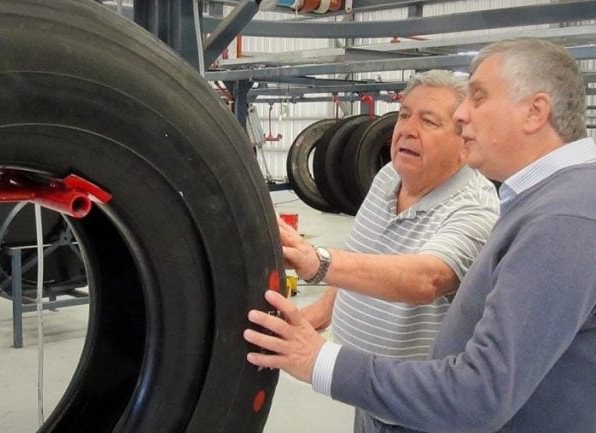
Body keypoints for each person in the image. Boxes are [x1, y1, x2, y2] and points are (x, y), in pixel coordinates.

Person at [245, 38, 596, 433]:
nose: (463, 115)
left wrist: (320, 361)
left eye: (477, 97)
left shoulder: (564, 219)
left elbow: (477, 395)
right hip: (390, 400)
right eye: (404, 115)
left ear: (534, 112)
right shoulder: (541, 200)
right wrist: (316, 319)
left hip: (423, 410)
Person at [285, 69, 498, 363]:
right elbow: (362, 256)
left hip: (414, 396)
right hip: (360, 381)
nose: (407, 130)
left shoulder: (476, 207)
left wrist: (318, 262)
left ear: (465, 141)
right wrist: (321, 312)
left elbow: (427, 279)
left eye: (428, 121)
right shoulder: (388, 176)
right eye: (404, 115)